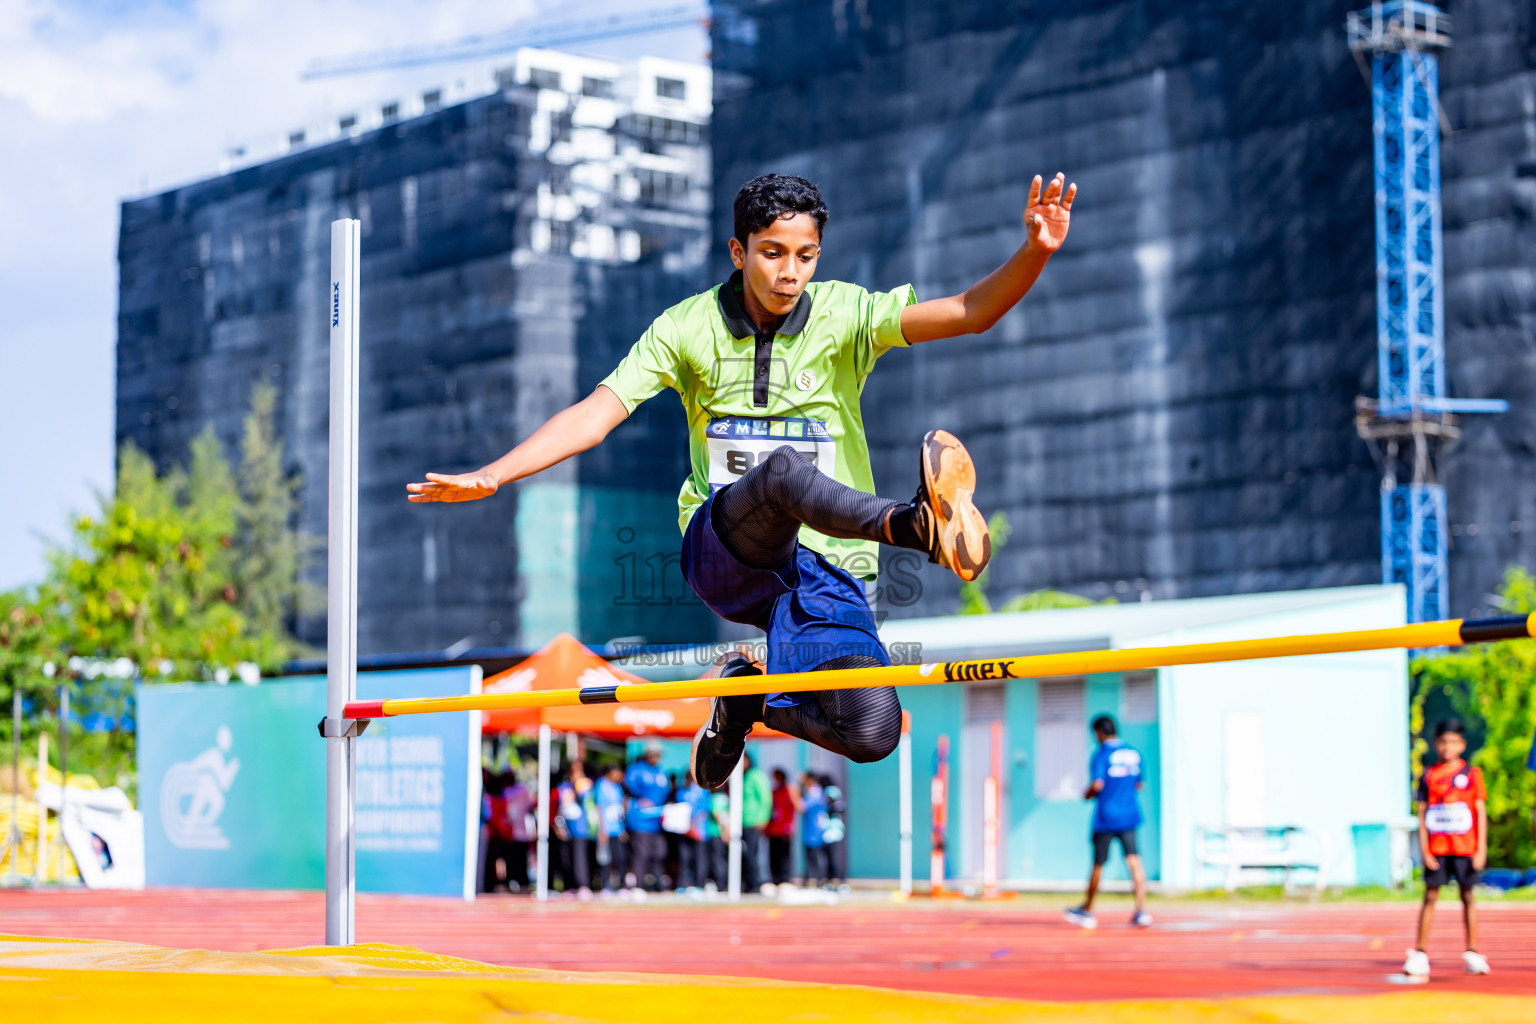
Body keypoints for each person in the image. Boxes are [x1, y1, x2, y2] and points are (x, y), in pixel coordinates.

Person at [407, 172, 1076, 789]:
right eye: (773, 253)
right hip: (728, 552)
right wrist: (494, 474)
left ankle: (743, 700)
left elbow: (968, 311)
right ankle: (917, 526)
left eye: (806, 256)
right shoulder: (686, 327)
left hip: (831, 572)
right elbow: (595, 414)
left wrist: (1035, 253)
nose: (790, 274)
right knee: (782, 474)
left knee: (871, 733)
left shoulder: (845, 316)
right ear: (738, 251)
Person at [1404, 719, 1490, 978]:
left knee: (1468, 896)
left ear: (1462, 745)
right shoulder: (1429, 775)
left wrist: (1481, 848)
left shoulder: (1472, 774)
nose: (1447, 747)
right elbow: (1421, 814)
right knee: (1430, 896)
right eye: (1443, 742)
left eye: (1453, 742)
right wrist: (1424, 850)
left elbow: (1480, 812)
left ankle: (1473, 952)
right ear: (1435, 744)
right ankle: (1420, 953)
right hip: (1437, 847)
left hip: (1465, 847)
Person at [1065, 715, 1150, 929]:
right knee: (1134, 861)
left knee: (1098, 864)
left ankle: (1088, 910)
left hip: (1106, 817)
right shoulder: (1135, 753)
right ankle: (1141, 910)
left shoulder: (1102, 754)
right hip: (1129, 814)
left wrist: (1086, 794)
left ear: (1098, 732)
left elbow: (1097, 784)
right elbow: (1139, 785)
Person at [624, 741, 670, 892]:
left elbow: (667, 792)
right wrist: (639, 799)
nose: (657, 757)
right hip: (640, 820)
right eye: (654, 754)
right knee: (641, 853)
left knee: (660, 852)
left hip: (657, 820)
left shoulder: (661, 772)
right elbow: (626, 788)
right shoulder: (636, 770)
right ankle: (638, 885)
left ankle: (658, 884)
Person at [556, 760, 598, 897]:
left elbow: (588, 801)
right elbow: (560, 806)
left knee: (580, 857)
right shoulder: (563, 786)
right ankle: (569, 885)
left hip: (581, 827)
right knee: (566, 857)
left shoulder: (585, 785)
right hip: (567, 827)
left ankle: (583, 885)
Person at [594, 763, 629, 892]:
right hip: (606, 829)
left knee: (620, 857)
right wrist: (602, 829)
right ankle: (606, 886)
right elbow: (599, 807)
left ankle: (621, 885)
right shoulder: (601, 785)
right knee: (605, 858)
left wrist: (622, 828)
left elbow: (619, 809)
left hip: (617, 829)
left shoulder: (617, 787)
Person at [765, 767, 801, 888]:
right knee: (773, 855)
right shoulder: (773, 791)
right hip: (773, 828)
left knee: (785, 855)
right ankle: (775, 878)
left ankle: (785, 878)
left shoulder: (790, 789)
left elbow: (798, 807)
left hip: (784, 828)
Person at [741, 752, 772, 892]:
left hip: (754, 821)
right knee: (745, 854)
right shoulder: (743, 777)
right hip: (743, 821)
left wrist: (762, 818)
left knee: (753, 854)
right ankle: (747, 882)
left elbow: (765, 798)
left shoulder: (756, 776)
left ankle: (755, 883)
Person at [799, 771, 830, 887]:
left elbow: (801, 806)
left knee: (814, 856)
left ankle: (818, 880)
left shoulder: (814, 792)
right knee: (811, 857)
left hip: (814, 830)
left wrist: (794, 792)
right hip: (812, 829)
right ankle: (812, 878)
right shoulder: (814, 791)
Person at [819, 772, 848, 890]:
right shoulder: (834, 791)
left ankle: (839, 881)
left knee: (832, 857)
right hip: (830, 830)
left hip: (832, 831)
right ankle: (831, 880)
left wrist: (828, 807)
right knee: (829, 857)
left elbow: (839, 807)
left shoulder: (831, 791)